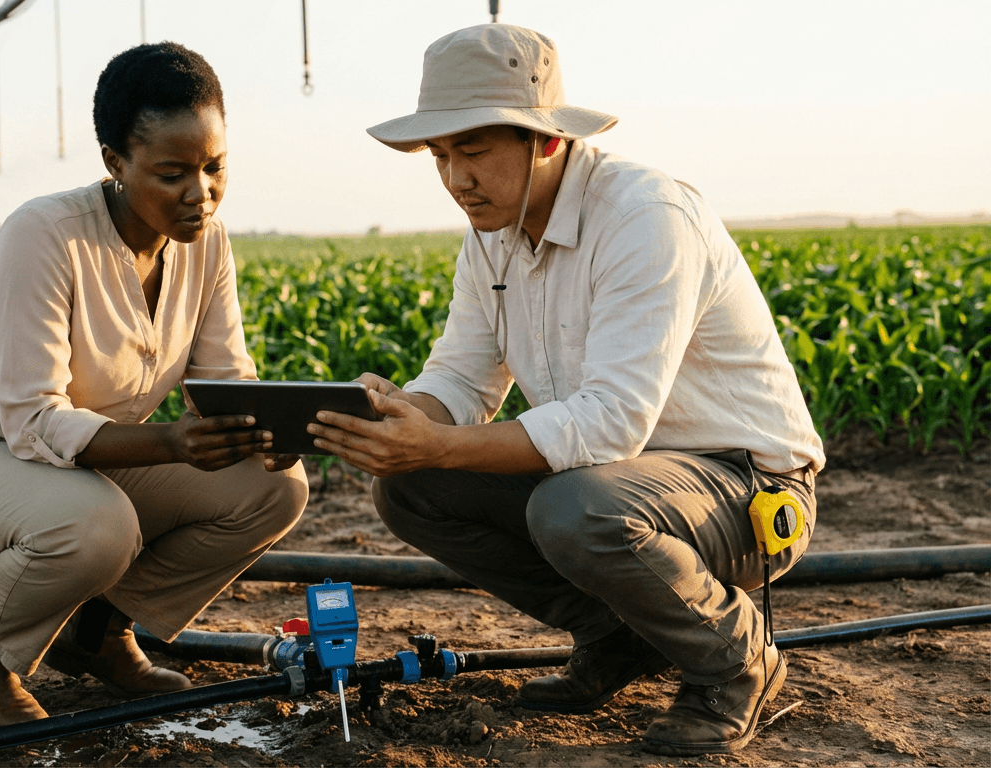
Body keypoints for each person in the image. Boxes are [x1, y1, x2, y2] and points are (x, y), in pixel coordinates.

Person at [307, 25, 824, 756]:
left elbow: (612, 423)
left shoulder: (645, 216)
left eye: (474, 151)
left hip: (748, 487)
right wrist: (398, 417)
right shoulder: (490, 235)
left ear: (545, 140)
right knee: (412, 485)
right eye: (441, 156)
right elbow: (460, 376)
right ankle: (617, 637)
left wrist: (446, 441)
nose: (456, 178)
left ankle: (738, 662)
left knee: (572, 507)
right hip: (619, 489)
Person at [0, 42, 308, 730]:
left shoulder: (208, 243)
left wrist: (271, 426)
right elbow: (34, 423)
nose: (200, 193)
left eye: (215, 167)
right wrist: (170, 440)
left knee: (272, 487)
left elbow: (227, 379)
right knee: (97, 527)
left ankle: (98, 633)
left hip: (81, 465)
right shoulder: (44, 234)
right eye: (173, 173)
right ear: (114, 162)